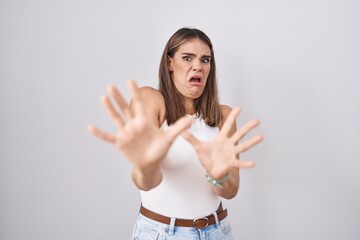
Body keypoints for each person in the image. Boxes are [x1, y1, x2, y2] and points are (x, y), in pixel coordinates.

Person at [87, 27, 263, 240]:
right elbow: (146, 181)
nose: (197, 66)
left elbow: (230, 191)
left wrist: (218, 175)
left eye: (205, 60)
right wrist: (147, 165)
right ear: (170, 63)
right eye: (187, 58)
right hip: (163, 233)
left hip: (217, 231)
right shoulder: (151, 100)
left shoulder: (223, 115)